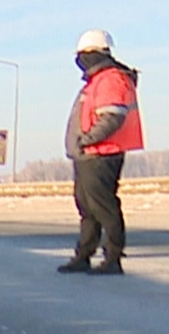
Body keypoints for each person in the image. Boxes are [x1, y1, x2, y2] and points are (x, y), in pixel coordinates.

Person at [58, 29, 143, 275]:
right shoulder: (97, 80)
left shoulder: (110, 78)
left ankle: (113, 258)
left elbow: (112, 116)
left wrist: (87, 140)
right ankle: (84, 255)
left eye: (83, 54)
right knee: (87, 208)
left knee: (103, 206)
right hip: (89, 154)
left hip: (102, 152)